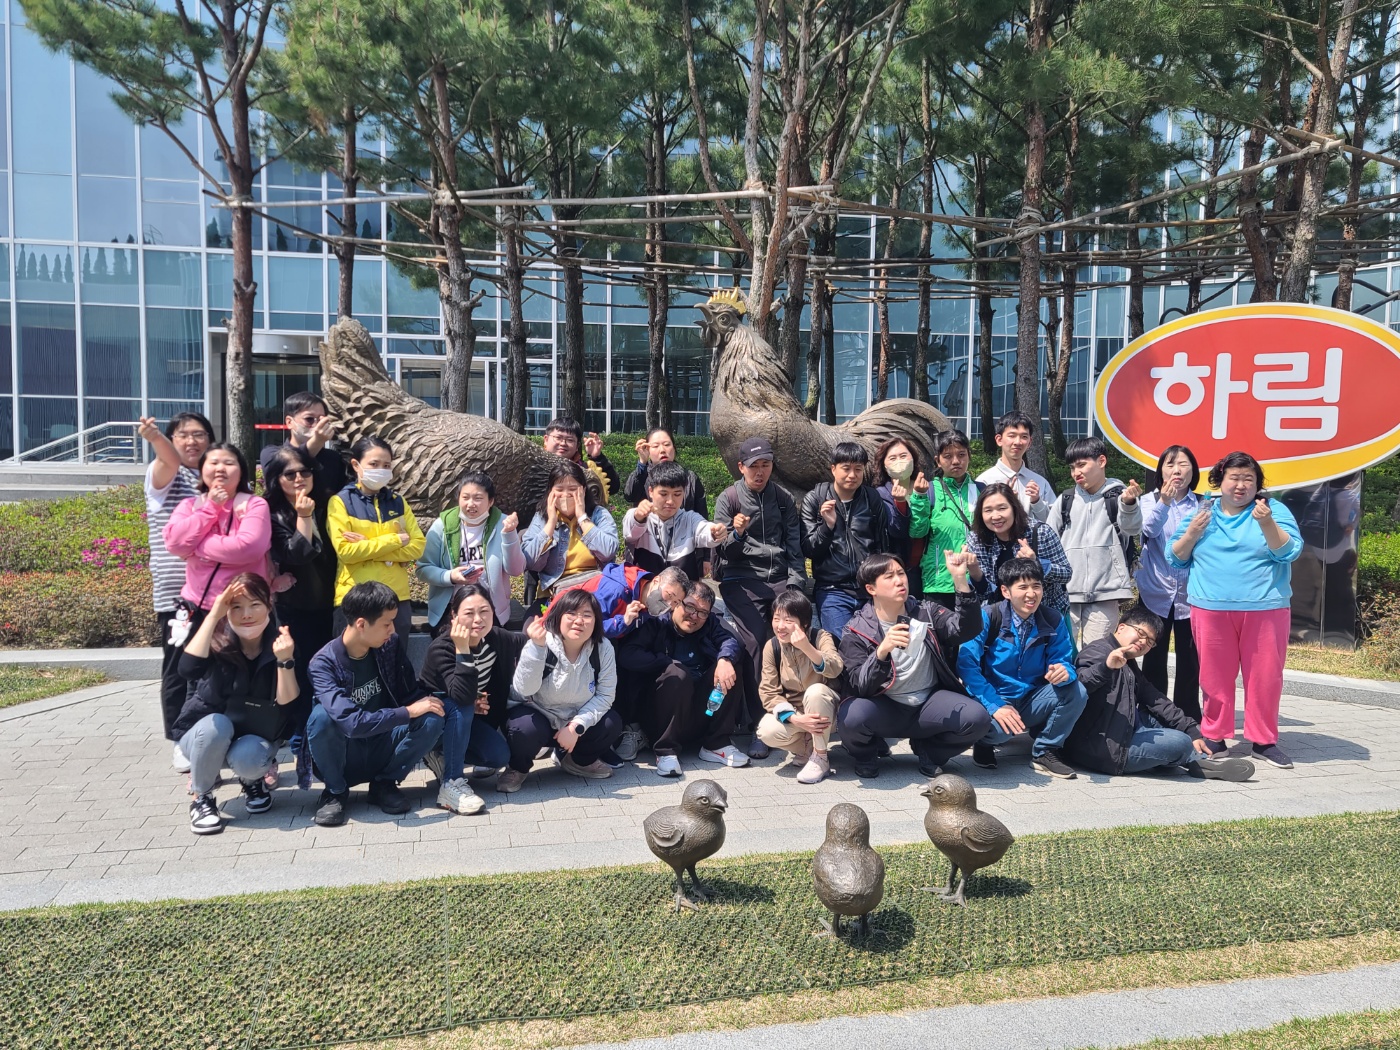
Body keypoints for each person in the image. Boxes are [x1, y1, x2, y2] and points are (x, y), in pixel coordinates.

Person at [1168, 451, 1303, 770]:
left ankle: (1264, 741)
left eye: (1248, 479)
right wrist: (1192, 533)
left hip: (1265, 608)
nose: (1241, 485)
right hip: (1210, 608)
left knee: (1265, 677)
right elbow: (1175, 557)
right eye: (1234, 478)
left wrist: (1266, 522)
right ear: (1220, 481)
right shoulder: (1203, 511)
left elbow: (1289, 552)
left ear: (1258, 484)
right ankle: (1214, 736)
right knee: (1213, 676)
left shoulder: (1273, 509)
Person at [838, 552, 989, 780]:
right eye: (889, 576)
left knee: (977, 718)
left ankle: (930, 752)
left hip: (929, 703)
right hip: (885, 707)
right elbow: (860, 686)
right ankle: (867, 755)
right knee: (851, 716)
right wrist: (881, 652)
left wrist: (960, 580)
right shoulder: (856, 630)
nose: (900, 580)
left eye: (901, 573)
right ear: (871, 589)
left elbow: (965, 629)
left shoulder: (926, 611)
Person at [306, 581, 445, 827]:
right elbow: (351, 724)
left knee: (431, 716)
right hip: (346, 754)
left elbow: (409, 693)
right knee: (321, 717)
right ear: (361, 624)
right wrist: (408, 712)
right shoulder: (323, 664)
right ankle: (335, 792)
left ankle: (384, 784)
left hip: (383, 743)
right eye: (386, 623)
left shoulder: (389, 646)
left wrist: (443, 699)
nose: (392, 629)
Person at [1063, 605, 1256, 781]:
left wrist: (1192, 730)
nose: (1143, 642)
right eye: (1140, 633)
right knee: (1180, 742)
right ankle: (1190, 760)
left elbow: (1155, 699)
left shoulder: (1128, 662)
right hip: (1102, 748)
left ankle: (1193, 761)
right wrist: (1106, 667)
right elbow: (1079, 687)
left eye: (1150, 641)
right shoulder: (1097, 652)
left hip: (1123, 727)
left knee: (1166, 721)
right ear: (1121, 627)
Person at [174, 574, 299, 835]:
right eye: (236, 607)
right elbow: (187, 669)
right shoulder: (216, 639)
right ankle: (201, 798)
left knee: (250, 756)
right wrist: (213, 615)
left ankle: (252, 781)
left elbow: (288, 703)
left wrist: (284, 660)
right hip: (203, 737)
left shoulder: (280, 642)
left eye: (255, 605)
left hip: (253, 737)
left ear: (269, 605)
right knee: (217, 726)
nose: (246, 614)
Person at [714, 436, 806, 757]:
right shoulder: (728, 499)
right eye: (754, 466)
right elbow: (721, 550)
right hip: (741, 581)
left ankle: (797, 715)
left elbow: (794, 547)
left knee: (793, 637)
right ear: (741, 467)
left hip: (779, 579)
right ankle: (760, 724)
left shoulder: (782, 499)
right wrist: (737, 533)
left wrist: (796, 586)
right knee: (756, 643)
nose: (760, 471)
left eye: (766, 465)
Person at [957, 558, 1088, 780]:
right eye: (1023, 587)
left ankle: (1045, 751)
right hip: (994, 696)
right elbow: (967, 665)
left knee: (1077, 691)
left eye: (1036, 586)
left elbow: (1063, 658)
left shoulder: (1052, 619)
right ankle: (984, 743)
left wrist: (1065, 671)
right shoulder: (989, 616)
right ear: (1005, 591)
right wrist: (995, 705)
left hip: (1031, 697)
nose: (1031, 594)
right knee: (1000, 732)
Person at [139, 411, 214, 770]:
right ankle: (180, 739)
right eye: (183, 435)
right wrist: (156, 438)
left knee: (213, 667)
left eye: (200, 434)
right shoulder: (165, 475)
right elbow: (168, 458)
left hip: (214, 590)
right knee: (179, 667)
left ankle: (210, 734)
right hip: (176, 592)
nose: (192, 441)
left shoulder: (215, 476)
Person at [616, 581, 750, 776]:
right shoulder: (656, 621)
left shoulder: (709, 623)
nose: (694, 616)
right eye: (690, 607)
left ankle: (716, 744)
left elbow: (731, 640)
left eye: (702, 612)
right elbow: (628, 654)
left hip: (698, 710)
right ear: (677, 603)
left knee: (729, 666)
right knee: (677, 673)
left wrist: (725, 659)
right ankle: (665, 751)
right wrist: (666, 662)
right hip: (657, 713)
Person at [263, 445, 339, 788]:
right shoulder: (272, 513)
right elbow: (297, 553)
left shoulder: (328, 505)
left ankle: (316, 746)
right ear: (276, 479)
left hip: (328, 606)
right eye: (289, 474)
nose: (298, 479)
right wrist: (304, 518)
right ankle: (297, 748)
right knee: (295, 680)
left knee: (323, 679)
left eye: (304, 472)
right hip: (292, 610)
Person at [502, 589, 624, 791]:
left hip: (576, 717)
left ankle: (578, 761)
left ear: (596, 622)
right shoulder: (541, 642)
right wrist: (537, 648)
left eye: (587, 615)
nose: (579, 621)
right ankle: (518, 768)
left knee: (611, 723)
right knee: (523, 728)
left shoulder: (603, 648)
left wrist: (576, 727)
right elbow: (524, 689)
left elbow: (605, 695)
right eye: (571, 613)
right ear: (558, 617)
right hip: (538, 713)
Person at [418, 584, 516, 815]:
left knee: (498, 755)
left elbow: (530, 644)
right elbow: (461, 696)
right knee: (461, 705)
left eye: (484, 611)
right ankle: (451, 783)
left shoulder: (496, 639)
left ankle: (441, 756)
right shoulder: (442, 648)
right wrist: (462, 649)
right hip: (433, 724)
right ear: (454, 616)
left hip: (466, 720)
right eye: (469, 613)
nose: (478, 619)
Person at [163, 442, 273, 636]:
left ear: (241, 471)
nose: (220, 468)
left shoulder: (255, 505)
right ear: (202, 470)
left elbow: (248, 548)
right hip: (196, 606)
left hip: (244, 609)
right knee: (191, 657)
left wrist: (195, 546)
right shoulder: (189, 505)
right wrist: (210, 509)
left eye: (229, 463)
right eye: (213, 463)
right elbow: (174, 543)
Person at [327, 436, 425, 642]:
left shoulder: (399, 502)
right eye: (374, 464)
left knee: (394, 659)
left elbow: (418, 546)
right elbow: (346, 552)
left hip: (397, 599)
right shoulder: (340, 502)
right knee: (354, 660)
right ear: (356, 465)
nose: (381, 470)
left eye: (386, 465)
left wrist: (367, 547)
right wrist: (395, 540)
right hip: (355, 597)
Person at [1049, 437, 1143, 647]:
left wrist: (1129, 504)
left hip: (1106, 592)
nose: (1076, 472)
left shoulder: (1119, 497)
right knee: (1062, 653)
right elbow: (1049, 539)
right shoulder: (1065, 500)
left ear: (1101, 461)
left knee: (1097, 656)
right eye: (1072, 467)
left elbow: (1132, 529)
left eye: (1081, 465)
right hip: (1066, 593)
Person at [1136, 445, 1204, 719]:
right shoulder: (1148, 500)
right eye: (1170, 464)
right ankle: (1154, 714)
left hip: (1193, 594)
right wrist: (1164, 502)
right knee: (1153, 656)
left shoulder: (1203, 503)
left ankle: (1188, 716)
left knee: (1191, 660)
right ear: (1160, 471)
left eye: (1183, 464)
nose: (1177, 470)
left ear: (1193, 471)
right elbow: (1148, 530)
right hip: (1156, 591)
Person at [800, 442, 890, 636]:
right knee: (842, 642)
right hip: (832, 590)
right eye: (846, 468)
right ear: (833, 469)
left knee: (875, 641)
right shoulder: (815, 499)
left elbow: (882, 545)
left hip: (869, 588)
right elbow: (808, 548)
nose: (852, 475)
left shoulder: (871, 498)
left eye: (858, 469)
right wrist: (827, 526)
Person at [755, 590, 844, 785]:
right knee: (766, 731)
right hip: (797, 714)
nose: (780, 626)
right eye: (776, 618)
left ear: (804, 623)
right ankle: (807, 749)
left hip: (828, 711)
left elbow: (836, 667)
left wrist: (807, 648)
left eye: (788, 620)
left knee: (815, 692)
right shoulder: (772, 646)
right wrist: (795, 718)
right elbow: (769, 692)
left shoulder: (820, 637)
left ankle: (820, 757)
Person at [418, 471, 523, 633]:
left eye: (478, 498)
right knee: (450, 644)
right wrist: (450, 576)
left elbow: (515, 570)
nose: (471, 504)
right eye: (465, 497)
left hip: (490, 608)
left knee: (489, 646)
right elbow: (423, 569)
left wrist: (509, 535)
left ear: (490, 501)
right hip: (451, 608)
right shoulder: (441, 526)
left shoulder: (503, 524)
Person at [964, 482, 1072, 615]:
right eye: (988, 510)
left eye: (1002, 508)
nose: (995, 516)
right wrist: (975, 572)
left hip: (1045, 614)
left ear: (1014, 508)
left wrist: (1037, 563)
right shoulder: (977, 539)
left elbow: (1066, 574)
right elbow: (985, 593)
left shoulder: (1040, 532)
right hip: (1001, 617)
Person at [521, 461, 619, 603]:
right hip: (556, 593)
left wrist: (582, 518)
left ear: (583, 490)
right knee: (532, 619)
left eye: (572, 489)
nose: (565, 495)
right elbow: (529, 561)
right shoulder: (541, 517)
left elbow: (608, 551)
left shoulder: (599, 514)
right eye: (559, 489)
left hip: (596, 589)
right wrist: (550, 524)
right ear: (550, 492)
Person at [908, 429, 982, 609]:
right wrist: (919, 497)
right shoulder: (930, 490)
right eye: (948, 456)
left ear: (969, 456)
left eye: (961, 454)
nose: (956, 461)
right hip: (939, 583)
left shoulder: (982, 490)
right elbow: (917, 531)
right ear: (938, 461)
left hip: (976, 579)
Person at [623, 461, 727, 582]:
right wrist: (638, 517)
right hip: (646, 587)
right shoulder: (639, 515)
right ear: (650, 491)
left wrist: (714, 533)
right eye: (663, 494)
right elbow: (629, 534)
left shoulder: (689, 519)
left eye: (677, 494)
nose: (670, 501)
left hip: (683, 590)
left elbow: (703, 529)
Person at [257, 391, 345, 493]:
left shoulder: (334, 458)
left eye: (321, 419)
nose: (317, 424)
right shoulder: (271, 453)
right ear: (289, 422)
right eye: (309, 419)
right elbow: (285, 464)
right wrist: (317, 441)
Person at [976, 411, 1056, 522]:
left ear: (1029, 442)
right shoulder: (984, 481)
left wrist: (1037, 501)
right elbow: (978, 521)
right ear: (999, 440)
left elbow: (1053, 522)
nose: (1018, 442)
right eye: (1012, 436)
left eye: (1024, 437)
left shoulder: (1040, 482)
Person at [872, 438, 924, 596]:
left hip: (929, 567)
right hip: (899, 567)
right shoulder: (880, 494)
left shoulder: (927, 488)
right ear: (884, 465)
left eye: (903, 456)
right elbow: (896, 530)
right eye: (892, 458)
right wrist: (900, 503)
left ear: (913, 458)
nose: (899, 462)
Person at [624, 427, 707, 514]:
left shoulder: (690, 477)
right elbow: (630, 496)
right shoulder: (643, 475)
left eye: (667, 445)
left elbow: (701, 514)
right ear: (647, 450)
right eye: (655, 446)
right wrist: (642, 463)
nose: (662, 450)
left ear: (674, 448)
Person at [542, 415, 621, 502]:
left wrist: (597, 457)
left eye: (570, 440)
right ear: (546, 440)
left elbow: (613, 488)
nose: (563, 443)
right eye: (558, 438)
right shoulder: (535, 466)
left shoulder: (585, 469)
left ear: (577, 446)